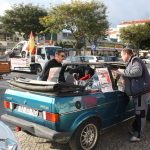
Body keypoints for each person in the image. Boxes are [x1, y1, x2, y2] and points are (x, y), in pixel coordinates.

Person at [116, 48, 150, 142]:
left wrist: (122, 72)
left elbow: (137, 72)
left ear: (126, 54)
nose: (121, 57)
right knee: (138, 112)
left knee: (140, 113)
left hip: (141, 92)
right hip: (140, 91)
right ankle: (136, 130)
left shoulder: (135, 60)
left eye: (122, 55)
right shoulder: (133, 60)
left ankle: (139, 135)